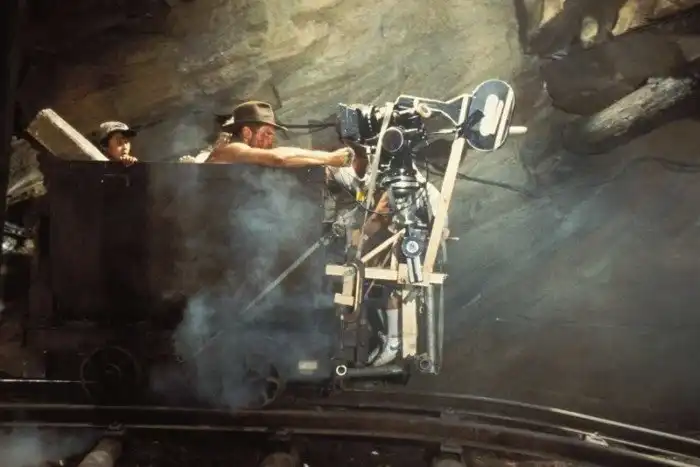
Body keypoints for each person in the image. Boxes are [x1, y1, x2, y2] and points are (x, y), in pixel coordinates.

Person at [325, 143, 448, 367]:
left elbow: (378, 216)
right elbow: (372, 216)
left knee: (397, 287)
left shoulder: (396, 179)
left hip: (421, 231)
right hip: (399, 226)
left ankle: (394, 341)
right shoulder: (362, 176)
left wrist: (358, 236)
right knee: (369, 280)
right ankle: (381, 335)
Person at [201, 100, 352, 168]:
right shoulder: (232, 149)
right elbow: (278, 158)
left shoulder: (242, 155)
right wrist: (330, 158)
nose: (270, 140)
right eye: (266, 134)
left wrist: (325, 161)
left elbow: (284, 160)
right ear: (247, 132)